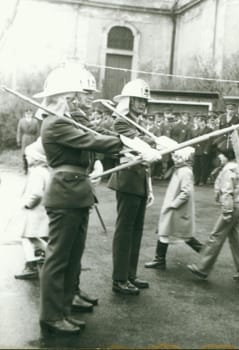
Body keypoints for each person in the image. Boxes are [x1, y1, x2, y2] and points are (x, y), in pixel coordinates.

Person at [35, 64, 124, 335]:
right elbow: (93, 141)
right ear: (60, 98)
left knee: (72, 258)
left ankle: (63, 310)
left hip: (77, 193)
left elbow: (91, 141)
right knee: (59, 258)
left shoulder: (65, 121)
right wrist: (128, 143)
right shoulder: (55, 124)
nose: (76, 102)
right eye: (72, 97)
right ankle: (51, 315)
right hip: (65, 194)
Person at [107, 79, 160, 296]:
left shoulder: (137, 122)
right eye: (138, 99)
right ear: (128, 100)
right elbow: (141, 145)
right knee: (125, 231)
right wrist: (154, 143)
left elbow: (148, 146)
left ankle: (130, 275)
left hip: (139, 180)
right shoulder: (122, 122)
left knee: (136, 231)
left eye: (144, 100)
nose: (142, 104)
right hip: (127, 180)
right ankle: (119, 278)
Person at [187, 147, 239, 281]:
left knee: (216, 236)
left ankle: (202, 267)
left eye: (221, 156)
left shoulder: (229, 169)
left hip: (233, 206)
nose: (219, 158)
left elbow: (227, 191)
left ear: (227, 156)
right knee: (236, 238)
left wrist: (227, 211)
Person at [145, 147, 203, 270]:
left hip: (177, 209)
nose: (175, 159)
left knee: (185, 235)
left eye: (178, 157)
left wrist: (173, 204)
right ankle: (159, 260)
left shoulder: (185, 171)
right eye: (175, 157)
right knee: (165, 232)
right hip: (174, 208)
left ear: (185, 158)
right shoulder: (181, 169)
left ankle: (207, 255)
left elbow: (186, 192)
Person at [13, 138, 49, 280]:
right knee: (32, 237)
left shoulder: (36, 172)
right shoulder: (46, 170)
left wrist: (28, 204)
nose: (27, 158)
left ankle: (33, 264)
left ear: (35, 158)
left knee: (28, 237)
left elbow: (37, 193)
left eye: (28, 156)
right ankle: (40, 259)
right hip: (42, 211)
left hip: (34, 212)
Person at [17, 109, 40, 174]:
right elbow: (19, 131)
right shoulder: (21, 121)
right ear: (25, 114)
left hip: (33, 139)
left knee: (33, 154)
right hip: (25, 139)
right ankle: (25, 168)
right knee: (24, 154)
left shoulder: (35, 121)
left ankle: (33, 168)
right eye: (27, 113)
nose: (28, 115)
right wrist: (18, 140)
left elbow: (38, 132)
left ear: (32, 114)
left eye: (30, 113)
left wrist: (38, 140)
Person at [192, 116, 212, 186]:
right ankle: (196, 179)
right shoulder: (196, 130)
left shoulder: (209, 130)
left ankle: (203, 180)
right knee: (196, 166)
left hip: (204, 150)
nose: (201, 123)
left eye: (202, 121)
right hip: (197, 150)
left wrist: (206, 149)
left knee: (204, 166)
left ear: (205, 122)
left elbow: (210, 141)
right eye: (200, 121)